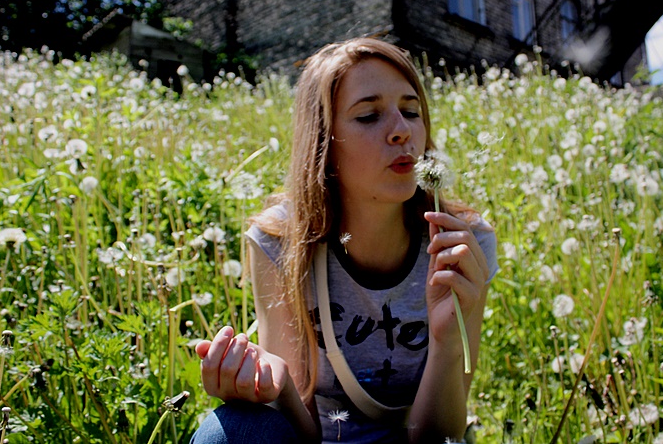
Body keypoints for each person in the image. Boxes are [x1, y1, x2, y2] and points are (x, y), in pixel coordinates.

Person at [191, 38, 498, 443]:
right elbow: (298, 432)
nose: (402, 131)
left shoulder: (460, 243)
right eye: (369, 116)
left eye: (411, 111)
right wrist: (277, 389)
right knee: (232, 430)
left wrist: (446, 343)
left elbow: (442, 437)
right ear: (324, 141)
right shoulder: (279, 241)